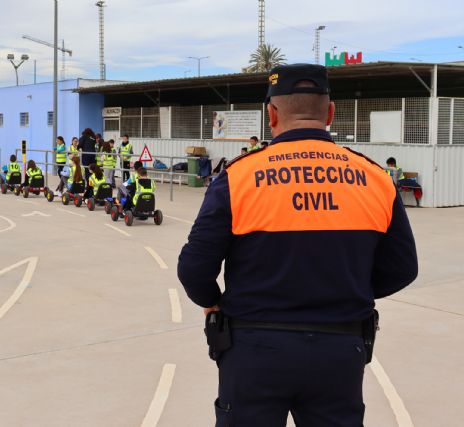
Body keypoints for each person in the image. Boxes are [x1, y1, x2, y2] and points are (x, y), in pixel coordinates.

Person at [177, 64, 418, 426]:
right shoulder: (375, 179)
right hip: (340, 349)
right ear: (330, 113)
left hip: (253, 349)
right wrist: (349, 291)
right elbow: (403, 268)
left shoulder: (237, 178)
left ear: (271, 114)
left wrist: (212, 300)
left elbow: (194, 268)